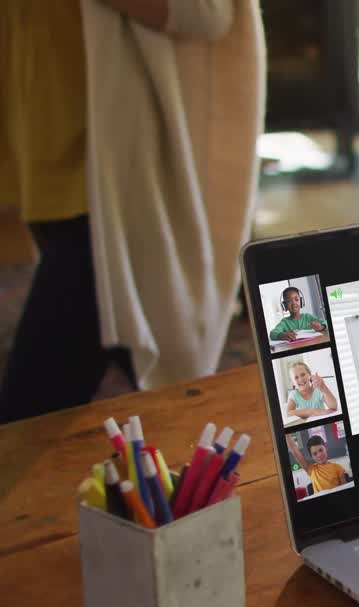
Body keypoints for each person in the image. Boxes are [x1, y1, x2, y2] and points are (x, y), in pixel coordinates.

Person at [0, 0, 264, 424]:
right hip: (46, 168)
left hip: (114, 189)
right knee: (147, 391)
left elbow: (209, 12)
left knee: (28, 416)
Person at [285, 432, 350, 495]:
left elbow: (344, 487)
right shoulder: (311, 469)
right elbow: (294, 450)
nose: (319, 455)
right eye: (315, 454)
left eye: (321, 450)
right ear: (312, 456)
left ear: (326, 448)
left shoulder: (338, 467)